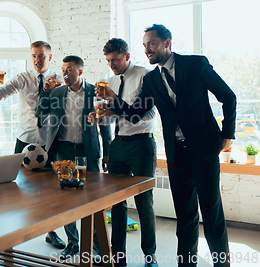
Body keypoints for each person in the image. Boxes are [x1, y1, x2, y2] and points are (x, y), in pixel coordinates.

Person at [97, 24, 236, 267]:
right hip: (176, 154)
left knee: (212, 216)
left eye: (151, 43)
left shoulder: (195, 65)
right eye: (144, 45)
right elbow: (136, 114)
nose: (147, 49)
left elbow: (228, 96)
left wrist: (228, 134)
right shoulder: (151, 80)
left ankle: (222, 264)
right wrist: (112, 99)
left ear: (167, 42)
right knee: (185, 217)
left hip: (203, 151)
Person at [0, 40, 66, 250]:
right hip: (24, 139)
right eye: (33, 55)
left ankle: (52, 232)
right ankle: (9, 235)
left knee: (51, 189)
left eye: (41, 55)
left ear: (49, 57)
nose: (37, 59)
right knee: (12, 186)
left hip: (49, 141)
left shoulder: (59, 80)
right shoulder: (23, 78)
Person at [92, 38, 158, 267]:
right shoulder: (110, 80)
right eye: (108, 61)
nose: (112, 65)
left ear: (127, 56)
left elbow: (144, 116)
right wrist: (102, 116)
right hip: (118, 143)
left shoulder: (145, 76)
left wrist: (112, 99)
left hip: (142, 145)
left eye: (116, 60)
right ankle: (117, 257)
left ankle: (150, 257)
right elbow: (118, 114)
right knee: (116, 202)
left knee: (143, 202)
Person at [36, 55, 103, 259]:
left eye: (70, 69)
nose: (65, 73)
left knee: (92, 198)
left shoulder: (95, 91)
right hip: (63, 150)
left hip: (87, 151)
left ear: (80, 71)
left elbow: (105, 121)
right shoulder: (56, 91)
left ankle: (96, 246)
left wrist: (106, 152)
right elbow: (40, 112)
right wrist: (45, 92)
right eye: (63, 69)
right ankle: (73, 242)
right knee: (67, 199)